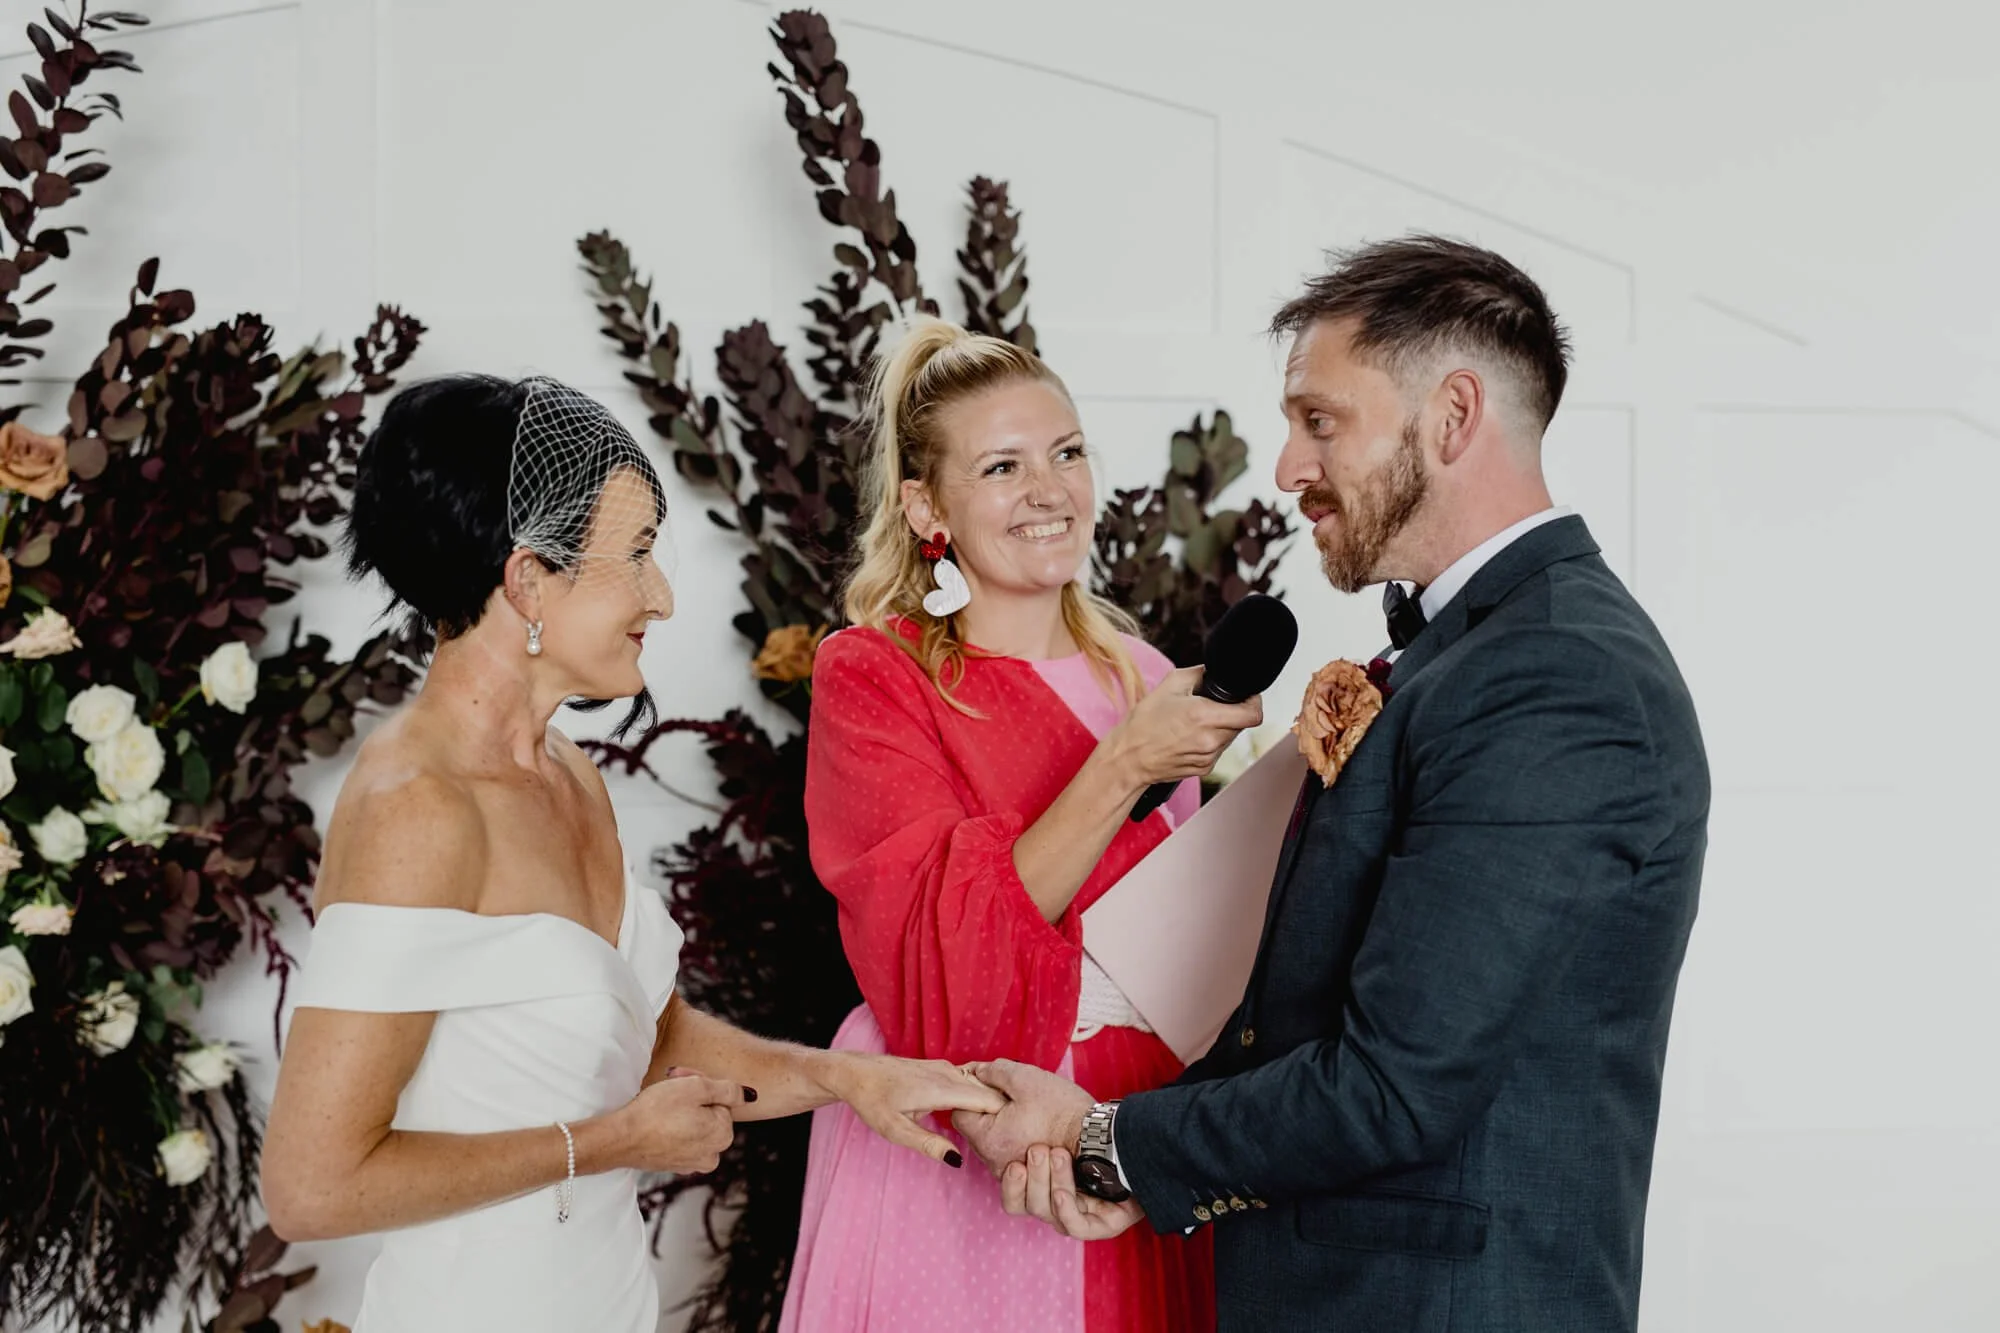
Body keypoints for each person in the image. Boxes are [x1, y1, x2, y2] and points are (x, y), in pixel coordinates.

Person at [956, 235, 1711, 1333]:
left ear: (1451, 416)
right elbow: (1314, 1022)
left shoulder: (1554, 676)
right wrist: (1119, 1133)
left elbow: (1393, 1084)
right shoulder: (1473, 653)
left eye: (1319, 421)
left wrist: (1104, 1143)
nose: (1286, 467)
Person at [259, 375, 1003, 1333]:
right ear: (528, 578)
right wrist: (609, 1143)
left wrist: (848, 1079)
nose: (662, 595)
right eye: (639, 554)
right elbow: (311, 1186)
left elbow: (643, 1033)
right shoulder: (419, 810)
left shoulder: (568, 771)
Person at [779, 319, 1261, 1332]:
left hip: (1126, 1115)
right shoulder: (876, 674)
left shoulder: (1140, 673)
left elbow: (1176, 939)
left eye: (1067, 452)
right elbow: (932, 957)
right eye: (1001, 466)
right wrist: (1125, 759)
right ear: (926, 505)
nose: (1049, 491)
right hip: (960, 1103)